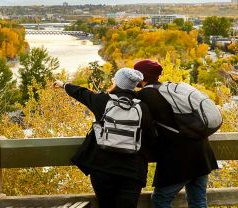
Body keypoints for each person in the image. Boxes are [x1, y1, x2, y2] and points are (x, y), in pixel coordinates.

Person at [54, 68, 155, 208]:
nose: (113, 80)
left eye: (115, 79)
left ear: (118, 83)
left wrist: (63, 84)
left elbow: (82, 93)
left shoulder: (103, 101)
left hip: (103, 168)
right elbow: (151, 136)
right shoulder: (143, 107)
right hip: (132, 171)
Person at [134, 59, 218, 208]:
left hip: (178, 159)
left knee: (160, 200)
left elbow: (142, 125)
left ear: (141, 77)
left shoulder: (145, 96)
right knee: (198, 201)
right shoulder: (169, 90)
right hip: (202, 153)